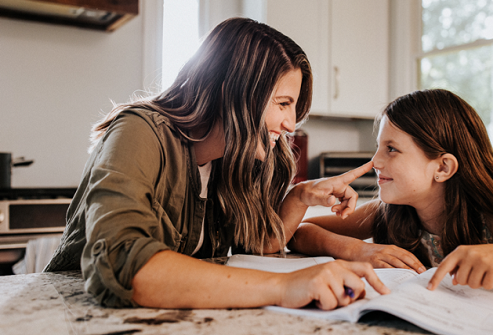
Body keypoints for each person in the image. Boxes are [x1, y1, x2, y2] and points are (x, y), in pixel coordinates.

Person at [44, 17, 388, 309]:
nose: (289, 124)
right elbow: (123, 267)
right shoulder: (140, 132)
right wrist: (285, 287)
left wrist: (299, 197)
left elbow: (260, 247)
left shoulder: (237, 157)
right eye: (282, 103)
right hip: (68, 314)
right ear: (231, 90)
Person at [289, 89, 493, 304]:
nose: (376, 162)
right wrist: (357, 250)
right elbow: (300, 233)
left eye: (392, 149)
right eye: (378, 147)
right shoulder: (388, 212)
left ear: (442, 167)